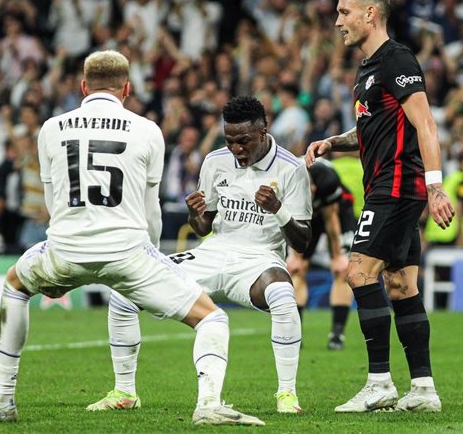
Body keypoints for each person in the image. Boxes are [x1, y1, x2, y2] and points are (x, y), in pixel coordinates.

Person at [0, 50, 263, 426]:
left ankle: (3, 400)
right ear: (127, 88)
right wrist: (154, 258)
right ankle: (208, 405)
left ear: (83, 87)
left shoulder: (52, 128)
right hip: (128, 252)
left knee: (15, 285)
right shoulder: (147, 130)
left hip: (65, 247)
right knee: (212, 319)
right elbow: (150, 208)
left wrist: (60, 258)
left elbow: (54, 203)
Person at [88, 96, 313, 414]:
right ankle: (124, 392)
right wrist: (196, 214)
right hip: (213, 251)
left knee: (283, 295)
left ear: (264, 132)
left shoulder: (292, 169)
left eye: (244, 141)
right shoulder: (215, 161)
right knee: (125, 291)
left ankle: (287, 395)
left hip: (259, 259)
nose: (237, 149)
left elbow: (302, 241)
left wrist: (278, 210)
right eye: (230, 140)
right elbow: (204, 226)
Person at [305, 0, 454, 413]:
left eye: (344, 12)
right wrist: (333, 142)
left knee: (358, 272)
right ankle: (423, 389)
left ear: (370, 14)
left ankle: (379, 383)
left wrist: (436, 186)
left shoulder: (397, 60)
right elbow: (372, 129)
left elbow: (425, 124)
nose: (337, 22)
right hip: (391, 188)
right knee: (401, 284)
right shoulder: (368, 70)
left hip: (395, 189)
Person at [287, 158, 355, 350]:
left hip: (337, 210)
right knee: (296, 270)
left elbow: (331, 219)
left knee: (342, 270)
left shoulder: (327, 179)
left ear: (314, 187)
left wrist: (339, 256)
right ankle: (295, 334)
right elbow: (288, 222)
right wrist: (296, 257)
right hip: (305, 219)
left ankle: (337, 335)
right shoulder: (282, 181)